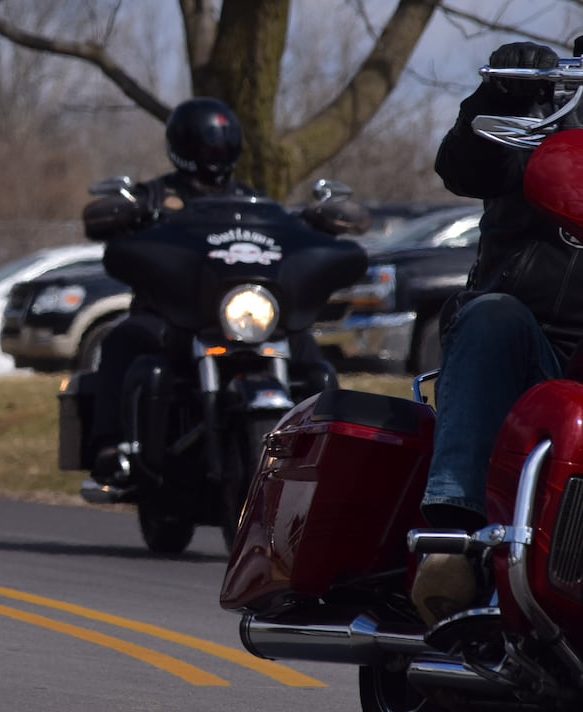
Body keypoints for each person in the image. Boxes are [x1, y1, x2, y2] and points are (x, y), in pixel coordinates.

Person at [81, 97, 353, 485]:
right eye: (208, 141)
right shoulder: (155, 196)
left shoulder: (254, 203)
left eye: (223, 140)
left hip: (244, 314)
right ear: (184, 143)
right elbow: (103, 220)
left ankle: (337, 454)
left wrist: (317, 219)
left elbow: (287, 235)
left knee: (313, 361)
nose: (215, 149)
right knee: (122, 340)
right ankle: (110, 447)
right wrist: (123, 213)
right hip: (168, 316)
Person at [409, 38, 583, 625]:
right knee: (492, 315)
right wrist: (503, 95)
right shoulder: (553, 101)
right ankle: (449, 542)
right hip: (530, 343)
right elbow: (462, 168)